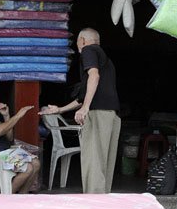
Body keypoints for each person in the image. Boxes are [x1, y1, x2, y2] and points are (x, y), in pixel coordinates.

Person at [39, 28, 121, 194]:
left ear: (82, 40)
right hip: (110, 115)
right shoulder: (105, 59)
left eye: (77, 41)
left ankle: (93, 203)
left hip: (98, 114)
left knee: (93, 160)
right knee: (103, 162)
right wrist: (60, 109)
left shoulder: (88, 50)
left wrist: (85, 108)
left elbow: (94, 76)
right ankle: (102, 201)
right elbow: (85, 95)